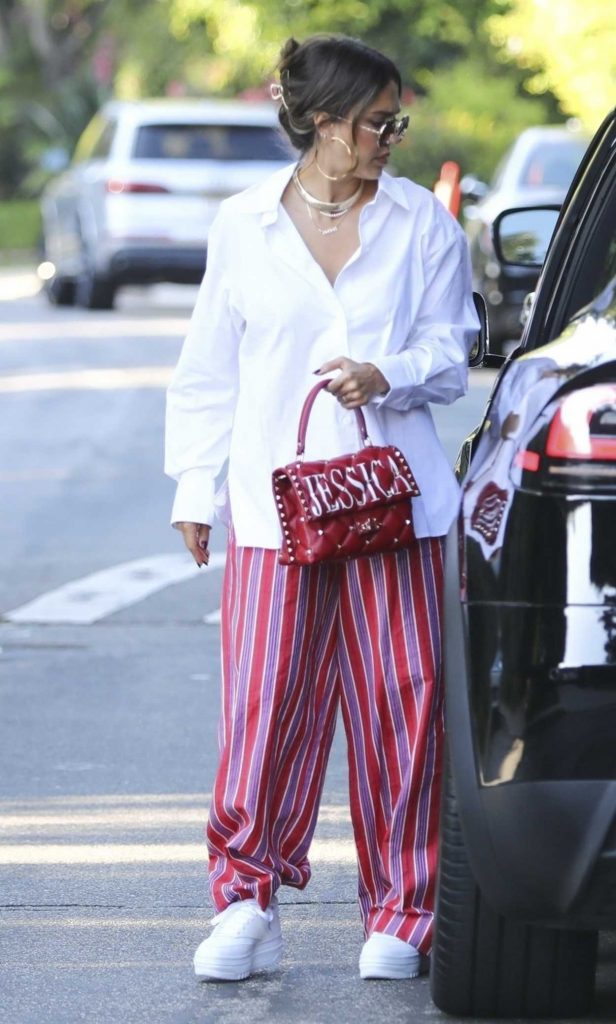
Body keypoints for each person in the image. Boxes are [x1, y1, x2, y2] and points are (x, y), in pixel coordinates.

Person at [165, 33, 479, 983]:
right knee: (265, 709)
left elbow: (454, 348)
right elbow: (210, 365)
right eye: (381, 122)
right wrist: (195, 486)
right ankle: (246, 900)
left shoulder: (423, 224)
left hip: (399, 506)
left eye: (398, 121)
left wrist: (394, 372)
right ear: (327, 123)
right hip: (276, 512)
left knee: (403, 709)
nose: (394, 136)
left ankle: (403, 910)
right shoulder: (244, 224)